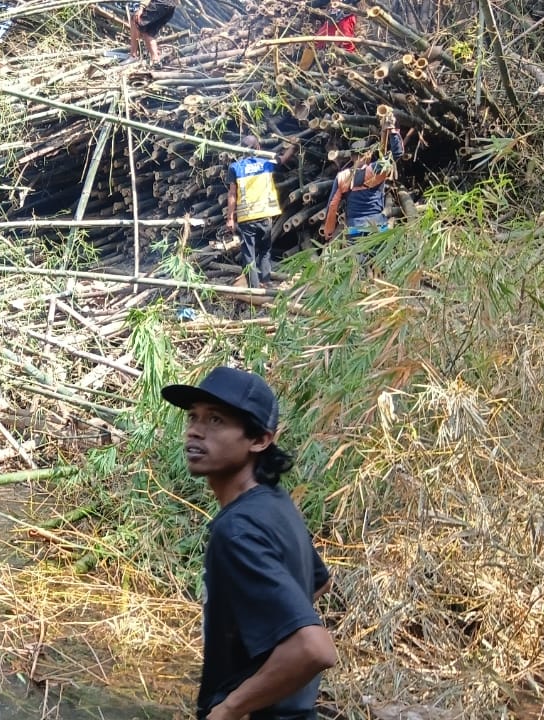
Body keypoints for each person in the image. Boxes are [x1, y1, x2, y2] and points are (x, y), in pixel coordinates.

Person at [161, 366, 337, 719]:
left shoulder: (237, 531)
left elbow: (315, 649)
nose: (195, 430)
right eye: (193, 417)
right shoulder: (274, 503)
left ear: (259, 440)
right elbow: (317, 582)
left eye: (215, 421)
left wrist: (230, 708)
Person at [225, 135, 299, 288]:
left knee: (248, 253)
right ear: (258, 147)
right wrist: (294, 146)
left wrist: (230, 218)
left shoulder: (235, 167)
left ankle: (254, 286)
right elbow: (283, 159)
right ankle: (265, 281)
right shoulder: (265, 163)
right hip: (265, 215)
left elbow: (232, 194)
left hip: (247, 217)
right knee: (265, 250)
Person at [320, 111, 404, 242]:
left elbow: (332, 206)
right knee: (379, 261)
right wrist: (392, 129)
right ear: (368, 155)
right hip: (378, 226)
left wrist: (328, 230)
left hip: (354, 229)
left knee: (358, 262)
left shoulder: (342, 177)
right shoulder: (377, 169)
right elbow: (397, 153)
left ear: (351, 156)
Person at [299, 0, 359, 71]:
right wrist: (307, 4)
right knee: (314, 42)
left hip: (346, 18)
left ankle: (353, 66)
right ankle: (302, 70)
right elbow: (321, 1)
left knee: (347, 44)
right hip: (332, 19)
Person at [126, 0, 179, 68]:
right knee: (148, 32)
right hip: (171, 5)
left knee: (135, 20)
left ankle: (133, 56)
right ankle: (156, 61)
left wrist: (141, 7)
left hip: (161, 2)